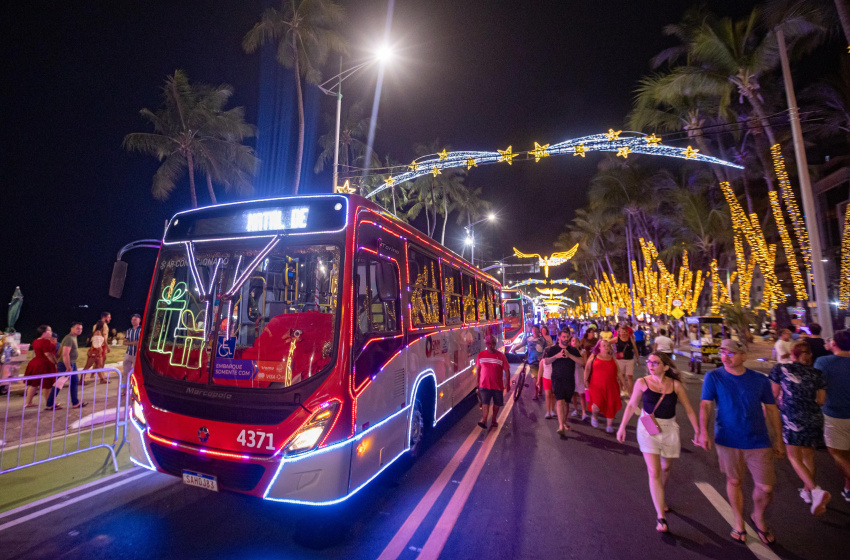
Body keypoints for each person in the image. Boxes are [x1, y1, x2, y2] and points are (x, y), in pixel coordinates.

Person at [698, 339, 784, 545]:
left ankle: (757, 516)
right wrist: (703, 431)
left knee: (766, 487)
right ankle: (738, 522)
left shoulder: (759, 380)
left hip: (758, 439)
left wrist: (779, 439)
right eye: (723, 353)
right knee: (734, 481)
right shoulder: (714, 377)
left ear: (744, 356)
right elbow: (705, 405)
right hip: (728, 438)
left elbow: (772, 409)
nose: (725, 357)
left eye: (731, 353)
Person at [617, 352, 700, 533]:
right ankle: (660, 517)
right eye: (649, 362)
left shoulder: (675, 385)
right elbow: (631, 405)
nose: (651, 365)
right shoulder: (642, 383)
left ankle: (659, 497)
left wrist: (698, 431)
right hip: (648, 426)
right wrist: (622, 426)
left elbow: (689, 409)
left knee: (665, 468)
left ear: (666, 367)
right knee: (654, 471)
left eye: (655, 362)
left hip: (669, 428)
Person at [769, 341, 831, 515]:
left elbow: (773, 394)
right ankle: (807, 492)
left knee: (794, 457)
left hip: (792, 417)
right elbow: (822, 400)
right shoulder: (818, 374)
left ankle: (815, 490)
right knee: (808, 454)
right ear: (809, 355)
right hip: (814, 417)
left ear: (793, 355)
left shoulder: (781, 370)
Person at [814, 329, 850, 503]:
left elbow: (818, 387)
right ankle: (848, 488)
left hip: (836, 414)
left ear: (834, 343)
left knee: (837, 453)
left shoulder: (823, 362)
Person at [542, 329, 585, 438]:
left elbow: (582, 362)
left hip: (569, 380)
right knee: (559, 400)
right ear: (559, 337)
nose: (566, 339)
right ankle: (561, 426)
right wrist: (557, 356)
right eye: (564, 337)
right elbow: (546, 361)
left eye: (567, 337)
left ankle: (564, 422)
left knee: (566, 402)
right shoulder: (553, 349)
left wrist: (570, 355)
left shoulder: (573, 350)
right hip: (557, 379)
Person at [584, 339, 623, 433]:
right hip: (596, 385)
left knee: (611, 405)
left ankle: (609, 425)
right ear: (599, 347)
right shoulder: (594, 356)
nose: (606, 347)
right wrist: (585, 379)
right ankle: (594, 416)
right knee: (596, 404)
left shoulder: (612, 358)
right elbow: (587, 368)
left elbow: (618, 371)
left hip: (611, 386)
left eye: (607, 345)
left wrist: (623, 383)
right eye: (603, 345)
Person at [475, 335, 511, 429]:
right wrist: (477, 382)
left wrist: (507, 383)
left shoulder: (501, 356)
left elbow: (507, 370)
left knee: (497, 404)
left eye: (491, 344)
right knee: (485, 403)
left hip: (497, 386)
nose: (489, 346)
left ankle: (494, 419)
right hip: (484, 385)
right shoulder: (481, 355)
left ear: (495, 344)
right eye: (488, 343)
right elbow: (478, 369)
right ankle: (485, 421)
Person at [24, 325, 59, 409]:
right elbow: (48, 354)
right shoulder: (45, 341)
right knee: (47, 385)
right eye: (49, 331)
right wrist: (55, 363)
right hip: (45, 364)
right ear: (44, 333)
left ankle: (28, 402)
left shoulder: (35, 341)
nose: (51, 333)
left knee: (33, 384)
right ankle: (49, 403)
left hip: (35, 363)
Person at [54, 322, 86, 410]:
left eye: (81, 329)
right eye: (77, 328)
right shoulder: (69, 338)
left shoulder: (73, 337)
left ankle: (75, 403)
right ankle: (50, 404)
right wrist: (68, 367)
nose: (80, 330)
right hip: (66, 364)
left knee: (74, 382)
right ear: (72, 328)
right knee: (59, 384)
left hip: (72, 363)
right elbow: (65, 354)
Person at [511, 325, 544, 400]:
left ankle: (540, 390)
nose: (534, 330)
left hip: (541, 361)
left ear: (538, 330)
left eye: (536, 329)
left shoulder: (542, 339)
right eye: (533, 329)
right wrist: (514, 349)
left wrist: (543, 357)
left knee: (540, 376)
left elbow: (546, 349)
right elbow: (521, 344)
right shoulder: (528, 339)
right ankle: (535, 393)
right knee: (535, 377)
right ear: (531, 330)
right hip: (532, 360)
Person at [615, 324, 639, 395]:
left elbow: (635, 349)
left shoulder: (630, 340)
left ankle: (630, 393)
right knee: (620, 376)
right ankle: (621, 390)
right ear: (619, 333)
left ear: (627, 332)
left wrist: (637, 359)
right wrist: (610, 351)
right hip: (620, 360)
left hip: (629, 359)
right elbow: (608, 342)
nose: (623, 333)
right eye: (622, 332)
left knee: (629, 377)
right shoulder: (617, 339)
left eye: (625, 332)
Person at [539, 327, 557, 419]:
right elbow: (540, 371)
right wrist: (539, 381)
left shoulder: (555, 359)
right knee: (547, 395)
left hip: (553, 378)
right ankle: (548, 411)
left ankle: (552, 410)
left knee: (553, 395)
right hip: (546, 379)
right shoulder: (543, 360)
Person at [569, 335, 588, 421]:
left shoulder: (583, 352)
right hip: (571, 373)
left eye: (576, 341)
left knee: (581, 394)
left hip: (580, 373)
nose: (574, 342)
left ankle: (584, 412)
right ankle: (576, 409)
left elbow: (584, 363)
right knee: (573, 393)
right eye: (573, 341)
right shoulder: (568, 352)